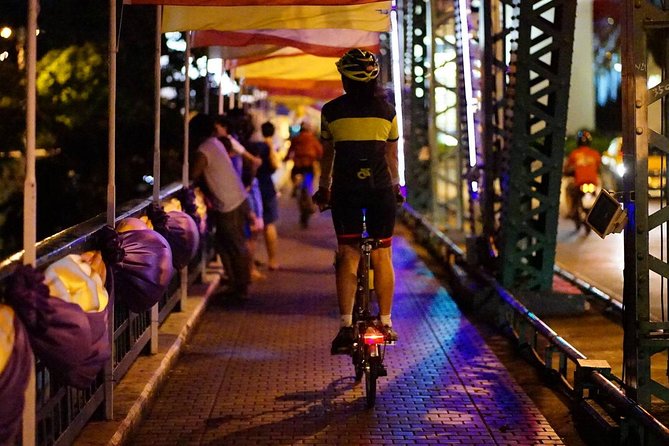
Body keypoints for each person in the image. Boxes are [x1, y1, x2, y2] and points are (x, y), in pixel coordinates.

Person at [312, 48, 403, 355]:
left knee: (348, 252)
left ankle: (346, 325)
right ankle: (386, 321)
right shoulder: (387, 110)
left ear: (344, 79)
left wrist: (324, 189)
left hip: (346, 191)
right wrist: (396, 187)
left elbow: (328, 154)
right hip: (380, 191)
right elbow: (391, 155)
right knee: (382, 253)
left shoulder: (331, 110)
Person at [189, 113, 253, 301]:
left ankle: (241, 288)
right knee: (223, 244)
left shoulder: (204, 149)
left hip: (229, 204)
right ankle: (236, 284)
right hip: (236, 199)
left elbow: (193, 175)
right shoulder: (215, 143)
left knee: (234, 245)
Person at [256, 121, 282, 270]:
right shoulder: (270, 147)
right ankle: (272, 260)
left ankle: (251, 263)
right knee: (269, 224)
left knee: (252, 227)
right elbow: (276, 165)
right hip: (267, 187)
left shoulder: (257, 146)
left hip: (254, 187)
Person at [563, 129, 602, 219]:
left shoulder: (574, 154)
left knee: (568, 189)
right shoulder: (595, 154)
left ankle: (571, 211)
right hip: (593, 183)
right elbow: (599, 168)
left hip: (579, 183)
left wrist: (566, 173)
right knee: (600, 194)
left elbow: (567, 168)